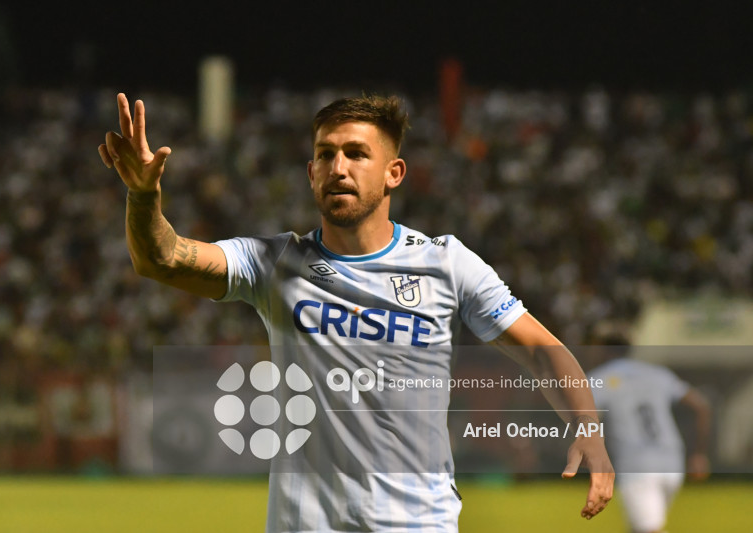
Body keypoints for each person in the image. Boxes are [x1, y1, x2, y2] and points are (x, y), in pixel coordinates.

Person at [99, 92, 614, 532]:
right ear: (310, 173)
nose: (338, 167)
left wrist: (588, 430)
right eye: (325, 154)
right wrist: (143, 197)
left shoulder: (446, 264)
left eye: (356, 153)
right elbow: (162, 259)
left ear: (394, 173)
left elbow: (543, 351)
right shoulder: (273, 263)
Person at [588, 339, 711, 533]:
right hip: (672, 461)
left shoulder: (600, 378)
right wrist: (699, 454)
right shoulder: (658, 374)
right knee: (641, 526)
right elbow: (700, 406)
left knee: (648, 528)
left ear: (602, 351)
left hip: (636, 464)